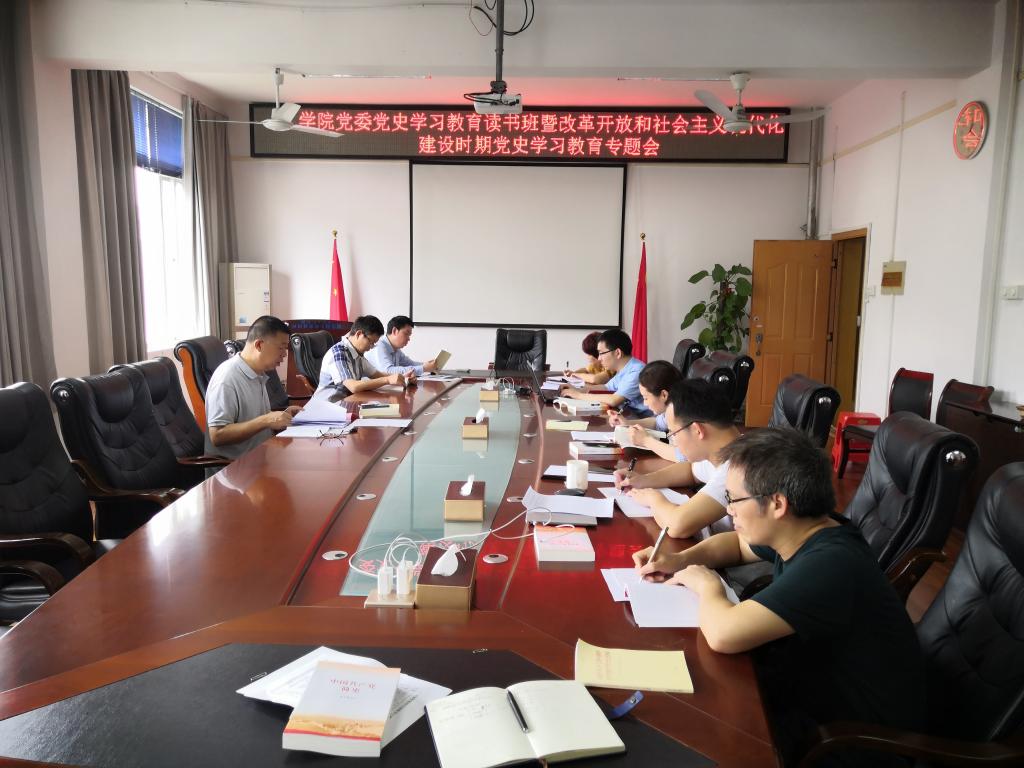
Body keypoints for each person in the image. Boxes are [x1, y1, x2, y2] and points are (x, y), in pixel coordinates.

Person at [632, 428, 925, 767]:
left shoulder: (831, 564)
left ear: (777, 504)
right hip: (810, 691)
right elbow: (738, 545)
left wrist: (707, 584)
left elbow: (724, 633)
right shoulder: (808, 529)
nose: (729, 511)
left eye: (734, 499)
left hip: (852, 740)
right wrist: (681, 559)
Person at [617, 379, 739, 538]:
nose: (673, 440)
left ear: (697, 430)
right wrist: (643, 480)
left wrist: (653, 499)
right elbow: (690, 471)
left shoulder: (738, 468)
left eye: (673, 433)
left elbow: (676, 525)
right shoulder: (726, 448)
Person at [205, 315, 302, 460]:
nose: (284, 355)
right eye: (281, 348)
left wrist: (281, 416)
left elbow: (253, 418)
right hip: (235, 467)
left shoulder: (258, 373)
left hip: (263, 455)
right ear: (259, 345)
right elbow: (217, 435)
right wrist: (266, 420)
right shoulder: (227, 379)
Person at [558, 328, 651, 417]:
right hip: (626, 416)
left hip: (640, 420)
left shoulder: (636, 371)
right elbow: (606, 388)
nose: (599, 358)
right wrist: (576, 388)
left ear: (617, 353)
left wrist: (578, 395)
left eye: (601, 353)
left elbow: (614, 400)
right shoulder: (624, 369)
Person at [606, 360, 682, 462]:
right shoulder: (672, 407)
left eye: (646, 398)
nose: (645, 403)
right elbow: (657, 423)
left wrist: (646, 441)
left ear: (664, 395)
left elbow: (683, 457)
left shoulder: (684, 413)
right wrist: (627, 423)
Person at [317, 315, 408, 395]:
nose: (371, 347)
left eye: (374, 344)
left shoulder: (358, 354)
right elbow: (353, 386)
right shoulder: (339, 353)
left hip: (345, 402)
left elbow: (377, 375)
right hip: (327, 405)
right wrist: (387, 380)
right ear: (359, 334)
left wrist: (403, 378)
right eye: (371, 342)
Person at [366, 315, 438, 377]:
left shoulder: (395, 348)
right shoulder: (379, 345)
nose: (409, 339)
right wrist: (423, 368)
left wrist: (428, 365)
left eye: (409, 335)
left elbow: (410, 363)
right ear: (394, 331)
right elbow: (388, 371)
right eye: (406, 334)